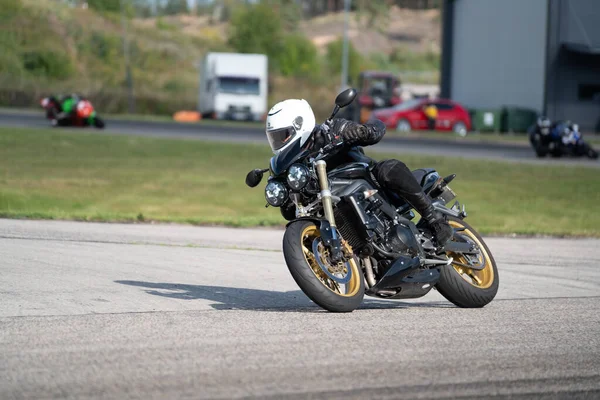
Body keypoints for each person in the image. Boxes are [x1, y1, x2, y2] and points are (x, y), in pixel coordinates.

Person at [265, 99, 453, 246]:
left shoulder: (329, 131)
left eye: (282, 135)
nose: (278, 142)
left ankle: (434, 218)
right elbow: (289, 213)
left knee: (387, 168)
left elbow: (375, 130)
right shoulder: (290, 165)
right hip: (333, 202)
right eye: (274, 138)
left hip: (369, 184)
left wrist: (363, 131)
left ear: (300, 124)